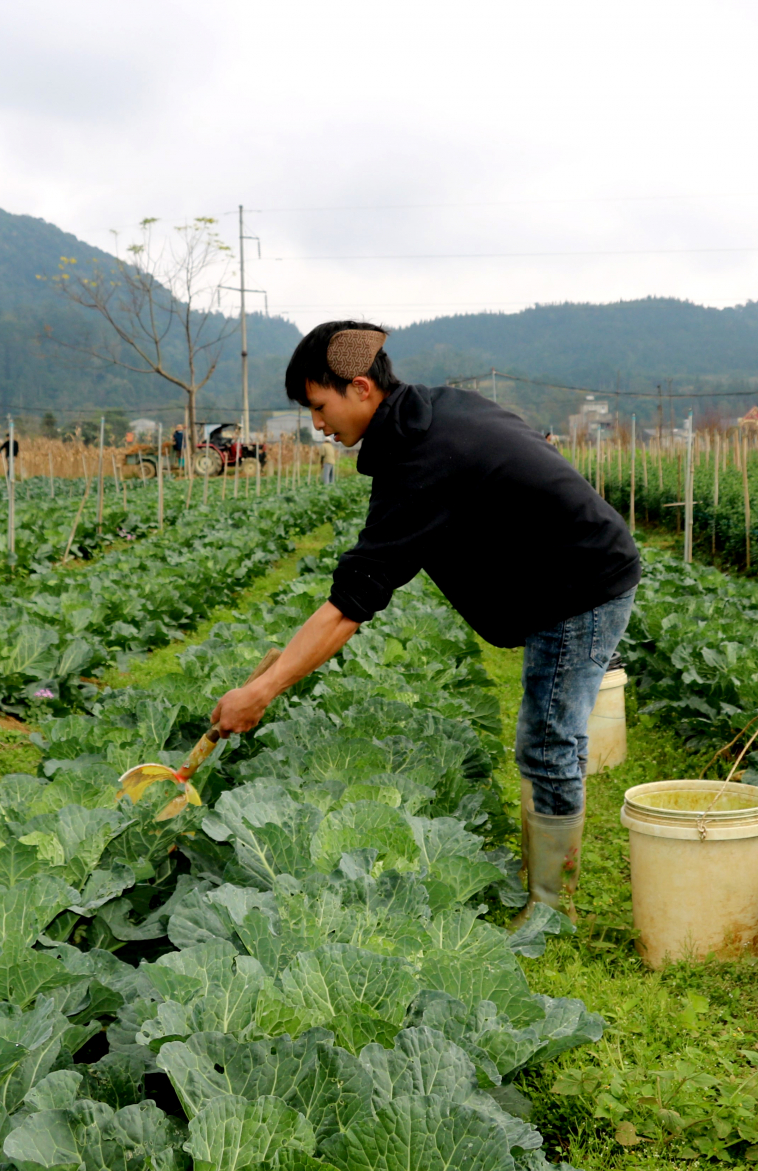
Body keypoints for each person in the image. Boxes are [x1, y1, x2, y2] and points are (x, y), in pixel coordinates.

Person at [209, 320, 641, 918]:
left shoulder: (420, 458)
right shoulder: (436, 411)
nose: (317, 423)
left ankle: (550, 907)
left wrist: (260, 691)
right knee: (543, 737)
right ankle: (542, 886)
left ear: (360, 388)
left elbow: (351, 604)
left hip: (582, 583)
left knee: (548, 740)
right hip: (563, 572)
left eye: (318, 405)